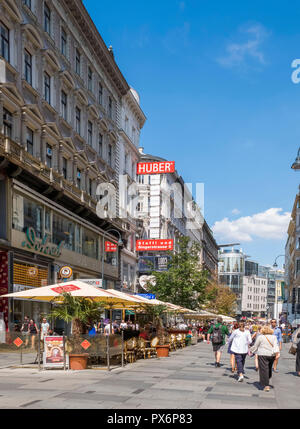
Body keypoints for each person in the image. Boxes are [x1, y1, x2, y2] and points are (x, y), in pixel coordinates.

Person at [250, 325, 279, 392]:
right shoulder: (274, 337)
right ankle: (267, 378)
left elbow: (256, 346)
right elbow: (275, 345)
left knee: (264, 369)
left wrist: (250, 350)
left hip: (262, 354)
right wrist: (277, 353)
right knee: (269, 368)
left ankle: (266, 385)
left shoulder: (260, 337)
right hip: (271, 354)